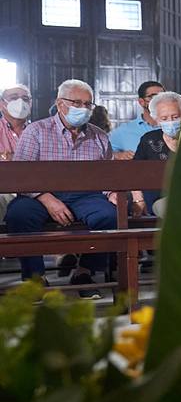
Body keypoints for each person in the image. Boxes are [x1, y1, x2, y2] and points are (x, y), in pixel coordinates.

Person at [3, 79, 116, 288]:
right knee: (18, 215)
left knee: (109, 216)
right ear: (60, 103)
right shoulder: (36, 131)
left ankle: (85, 271)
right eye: (76, 102)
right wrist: (47, 199)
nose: (82, 108)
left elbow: (108, 175)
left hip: (85, 195)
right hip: (40, 195)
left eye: (87, 104)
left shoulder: (98, 136)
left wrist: (112, 194)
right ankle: (35, 279)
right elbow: (21, 175)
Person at [131, 91, 181, 219]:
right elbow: (133, 172)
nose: (171, 122)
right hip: (158, 198)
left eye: (175, 117)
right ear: (156, 120)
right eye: (164, 118)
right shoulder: (149, 140)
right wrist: (138, 199)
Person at [0, 84, 33, 218]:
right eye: (14, 98)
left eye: (25, 99)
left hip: (33, 186)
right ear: (2, 104)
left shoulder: (38, 131)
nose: (20, 102)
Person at [109, 79, 164, 158]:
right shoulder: (124, 131)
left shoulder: (174, 128)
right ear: (141, 102)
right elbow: (104, 153)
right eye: (153, 97)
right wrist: (118, 155)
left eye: (162, 97)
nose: (159, 101)